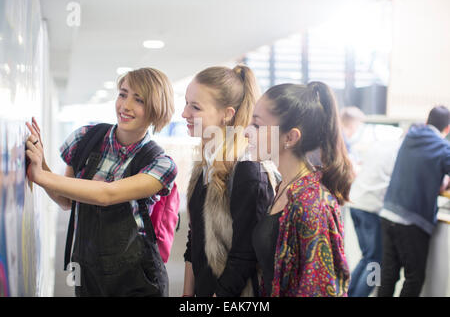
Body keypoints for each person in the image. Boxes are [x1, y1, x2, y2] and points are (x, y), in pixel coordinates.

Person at [25, 68, 177, 297]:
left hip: (136, 279)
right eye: (123, 94)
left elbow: (107, 194)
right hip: (88, 272)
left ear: (156, 108)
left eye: (139, 100)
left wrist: (42, 175)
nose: (125, 106)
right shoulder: (86, 138)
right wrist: (41, 163)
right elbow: (67, 200)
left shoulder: (160, 164)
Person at [248, 82, 352, 297]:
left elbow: (321, 290)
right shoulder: (284, 187)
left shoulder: (312, 204)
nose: (247, 133)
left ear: (290, 137)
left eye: (257, 126)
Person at [181, 65, 276, 297]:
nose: (184, 113)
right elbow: (195, 238)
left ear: (227, 113)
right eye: (186, 103)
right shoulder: (205, 165)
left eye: (195, 107)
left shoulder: (247, 169)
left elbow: (245, 257)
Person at [378, 105, 450, 297]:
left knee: (387, 275)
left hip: (387, 213)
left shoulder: (410, 137)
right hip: (411, 221)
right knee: (414, 277)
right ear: (448, 128)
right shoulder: (443, 147)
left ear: (427, 121)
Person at [347, 137, 402, 297]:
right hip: (371, 208)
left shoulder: (383, 144)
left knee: (367, 258)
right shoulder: (399, 152)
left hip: (356, 203)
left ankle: (349, 294)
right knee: (376, 262)